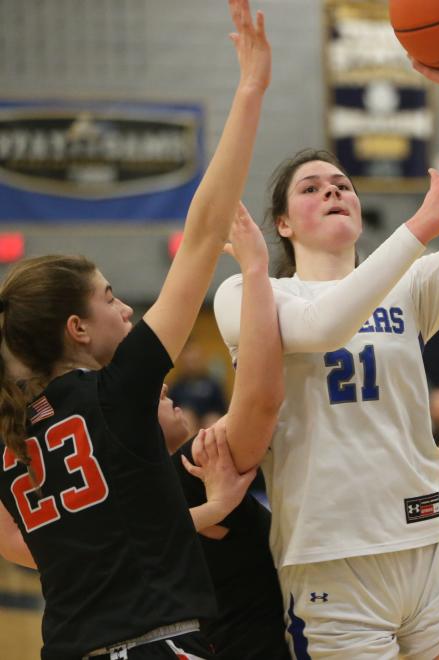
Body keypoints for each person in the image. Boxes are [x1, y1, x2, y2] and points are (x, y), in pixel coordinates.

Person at [213, 51, 439, 657]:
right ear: (281, 223)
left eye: (343, 185)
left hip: (427, 547)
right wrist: (420, 227)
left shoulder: (410, 285)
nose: (333, 191)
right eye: (312, 188)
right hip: (330, 563)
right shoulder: (251, 292)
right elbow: (323, 326)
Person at [0, 2, 271, 656]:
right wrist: (250, 88)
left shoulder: (10, 433)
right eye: (112, 299)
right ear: (77, 328)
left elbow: (36, 550)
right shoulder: (117, 396)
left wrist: (203, 512)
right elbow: (205, 233)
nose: (127, 311)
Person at [167, 204, 288, 659]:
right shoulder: (184, 471)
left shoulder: (148, 486)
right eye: (156, 395)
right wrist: (254, 270)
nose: (165, 388)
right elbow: (259, 401)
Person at [169, 340, 229, 433]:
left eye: (195, 359)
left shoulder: (213, 384)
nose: (192, 364)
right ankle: (188, 447)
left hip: (208, 424)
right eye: (189, 361)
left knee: (213, 421)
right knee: (186, 418)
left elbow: (223, 410)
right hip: (188, 424)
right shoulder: (176, 386)